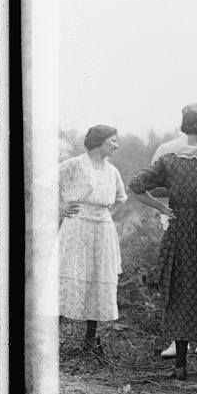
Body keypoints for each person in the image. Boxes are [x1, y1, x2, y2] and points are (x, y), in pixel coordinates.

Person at [129, 104, 197, 379]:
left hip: (181, 230)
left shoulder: (169, 160)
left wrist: (163, 208)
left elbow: (136, 186)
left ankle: (180, 365)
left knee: (180, 289)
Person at [155, 102, 197, 360]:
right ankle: (177, 340)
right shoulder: (167, 149)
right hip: (177, 219)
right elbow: (157, 184)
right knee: (179, 278)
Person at [58, 125, 128, 353]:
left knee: (98, 278)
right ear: (99, 141)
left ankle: (89, 339)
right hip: (77, 226)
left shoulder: (112, 171)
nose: (116, 145)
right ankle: (51, 338)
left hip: (103, 231)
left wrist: (107, 217)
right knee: (71, 275)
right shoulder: (75, 164)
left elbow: (121, 198)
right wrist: (61, 208)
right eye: (112, 141)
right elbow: (44, 184)